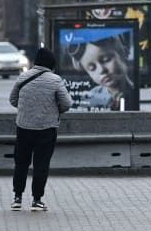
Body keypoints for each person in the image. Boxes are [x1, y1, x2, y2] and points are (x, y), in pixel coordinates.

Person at [9, 48, 72, 212]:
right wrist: (52, 111)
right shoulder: (55, 80)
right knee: (41, 164)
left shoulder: (23, 77)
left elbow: (13, 100)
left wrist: (27, 110)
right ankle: (37, 200)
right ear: (52, 63)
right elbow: (66, 104)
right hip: (46, 128)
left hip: (23, 127)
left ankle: (17, 198)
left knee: (21, 163)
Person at [70, 35, 135, 111]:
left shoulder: (137, 91)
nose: (101, 70)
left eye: (106, 60)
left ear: (124, 53)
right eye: (92, 68)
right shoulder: (91, 97)